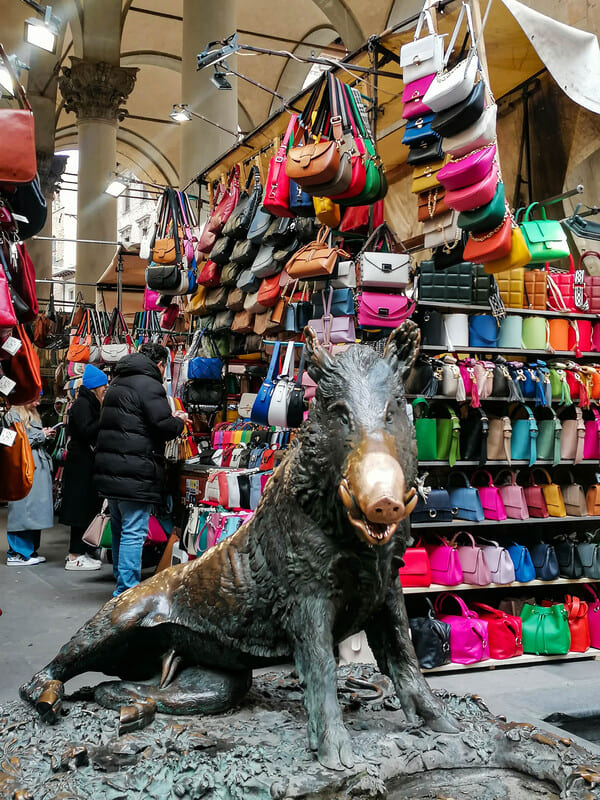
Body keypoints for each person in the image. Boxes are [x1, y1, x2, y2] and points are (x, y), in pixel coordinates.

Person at [94, 343, 187, 596]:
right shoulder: (150, 384)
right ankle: (127, 592)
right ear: (160, 365)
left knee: (121, 527)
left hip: (112, 469)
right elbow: (162, 425)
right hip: (135, 469)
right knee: (134, 531)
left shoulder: (117, 383)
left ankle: (121, 584)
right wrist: (178, 422)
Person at [59, 364, 108, 571]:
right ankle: (74, 556)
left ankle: (81, 552)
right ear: (95, 386)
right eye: (103, 386)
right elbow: (87, 430)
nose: (106, 388)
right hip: (80, 466)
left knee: (86, 508)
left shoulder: (87, 403)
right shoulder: (82, 405)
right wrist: (105, 419)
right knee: (79, 510)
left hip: (84, 465)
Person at [6, 395, 56, 566]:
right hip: (24, 468)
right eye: (34, 398)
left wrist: (43, 435)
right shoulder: (11, 415)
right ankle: (18, 553)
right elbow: (9, 442)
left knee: (34, 510)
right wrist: (40, 435)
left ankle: (28, 551)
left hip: (35, 467)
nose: (38, 403)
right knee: (23, 511)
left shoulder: (31, 414)